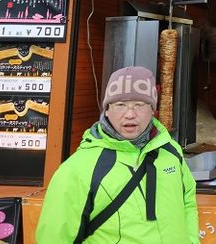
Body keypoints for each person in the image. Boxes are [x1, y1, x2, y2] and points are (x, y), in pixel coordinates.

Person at [36, 66, 199, 243]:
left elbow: (188, 201)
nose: (130, 114)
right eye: (120, 105)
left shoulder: (170, 151)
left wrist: (191, 240)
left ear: (153, 109)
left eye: (140, 104)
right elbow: (53, 238)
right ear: (107, 109)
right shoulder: (76, 169)